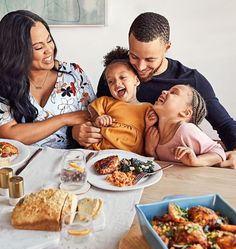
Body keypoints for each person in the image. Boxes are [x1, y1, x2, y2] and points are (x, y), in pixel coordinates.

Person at [73, 12, 236, 168]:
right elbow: (96, 115)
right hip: (114, 162)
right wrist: (78, 131)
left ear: (167, 47)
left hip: (173, 167)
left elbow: (225, 124)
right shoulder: (117, 74)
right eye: (134, 56)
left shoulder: (190, 81)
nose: (141, 67)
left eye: (150, 59)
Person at [0, 10, 95, 149]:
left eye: (49, 40)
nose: (49, 49)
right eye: (38, 47)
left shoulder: (73, 73)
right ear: (16, 52)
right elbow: (9, 133)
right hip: (21, 167)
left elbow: (94, 116)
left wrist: (77, 132)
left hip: (70, 165)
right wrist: (64, 119)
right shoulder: (4, 82)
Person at [88, 47, 151, 154]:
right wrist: (97, 118)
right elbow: (91, 109)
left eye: (122, 77)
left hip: (133, 158)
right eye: (111, 81)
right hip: (101, 152)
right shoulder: (106, 101)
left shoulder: (147, 108)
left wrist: (150, 124)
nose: (117, 84)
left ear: (136, 80)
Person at [145, 84, 226, 166]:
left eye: (173, 93)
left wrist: (196, 161)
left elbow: (219, 152)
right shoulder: (154, 133)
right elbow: (160, 165)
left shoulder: (186, 130)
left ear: (186, 112)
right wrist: (150, 151)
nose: (164, 91)